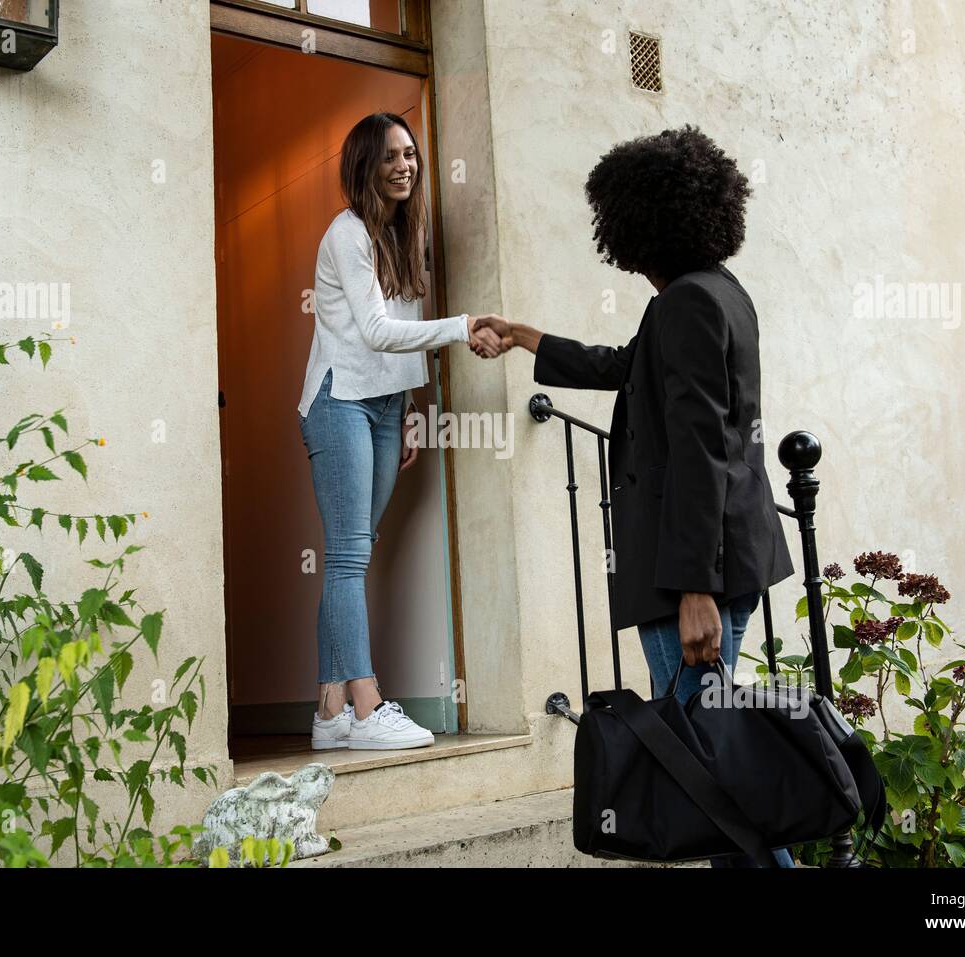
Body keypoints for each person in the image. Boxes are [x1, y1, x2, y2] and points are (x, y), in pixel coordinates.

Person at [472, 126, 797, 867]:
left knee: (704, 771)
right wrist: (526, 336)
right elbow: (628, 367)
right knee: (708, 761)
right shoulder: (714, 294)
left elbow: (700, 450)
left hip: (687, 573)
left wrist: (693, 588)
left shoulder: (686, 302)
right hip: (715, 561)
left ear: (635, 227)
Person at [299, 112, 502, 753]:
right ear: (364, 163)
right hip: (339, 404)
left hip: (385, 404)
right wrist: (462, 326)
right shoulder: (346, 234)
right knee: (349, 556)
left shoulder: (402, 234)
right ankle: (366, 705)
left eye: (410, 154)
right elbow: (377, 332)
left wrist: (412, 405)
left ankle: (329, 709)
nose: (404, 165)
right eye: (389, 155)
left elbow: (401, 336)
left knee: (352, 553)